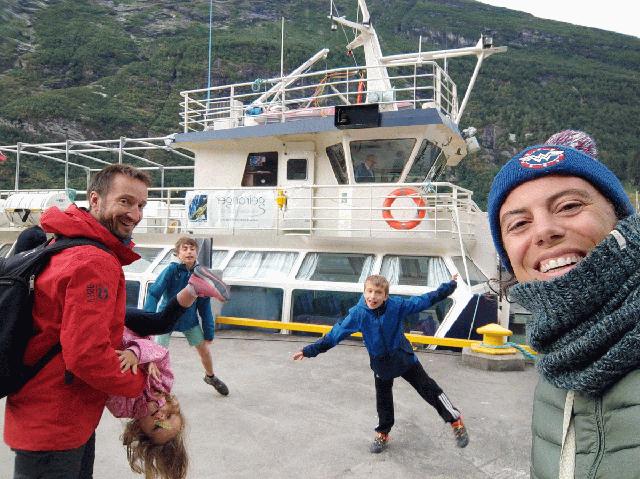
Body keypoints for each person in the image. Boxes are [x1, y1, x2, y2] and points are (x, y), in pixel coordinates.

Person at [487, 130, 639, 479]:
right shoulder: (554, 369)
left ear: (620, 219)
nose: (544, 231)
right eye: (519, 224)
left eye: (570, 206)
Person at [4, 164, 151, 478]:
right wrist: (140, 384)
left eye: (141, 205)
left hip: (41, 412)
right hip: (57, 423)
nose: (135, 214)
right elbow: (87, 355)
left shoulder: (63, 243)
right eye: (125, 201)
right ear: (95, 200)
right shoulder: (94, 261)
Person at [292, 274, 468, 453]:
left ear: (385, 296)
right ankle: (383, 432)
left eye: (378, 292)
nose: (373, 296)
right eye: (369, 291)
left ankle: (455, 420)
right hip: (380, 362)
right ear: (364, 292)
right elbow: (333, 336)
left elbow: (425, 300)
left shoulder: (397, 306)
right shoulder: (358, 314)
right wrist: (308, 350)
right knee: (383, 400)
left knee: (428, 388)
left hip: (403, 357)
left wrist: (450, 286)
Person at [145, 236, 230, 396]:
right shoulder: (171, 270)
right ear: (178, 254)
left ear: (197, 253)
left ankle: (210, 377)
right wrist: (149, 319)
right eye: (184, 249)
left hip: (189, 320)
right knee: (158, 354)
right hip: (166, 318)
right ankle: (155, 386)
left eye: (192, 249)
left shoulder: (201, 276)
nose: (189, 252)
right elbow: (154, 293)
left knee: (204, 350)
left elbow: (204, 307)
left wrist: (209, 332)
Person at [106, 327, 188, 479]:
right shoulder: (163, 383)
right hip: (131, 326)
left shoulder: (122, 408)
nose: (161, 417)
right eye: (169, 416)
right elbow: (161, 353)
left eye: (157, 426)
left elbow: (108, 381)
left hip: (107, 339)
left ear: (139, 429)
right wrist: (141, 356)